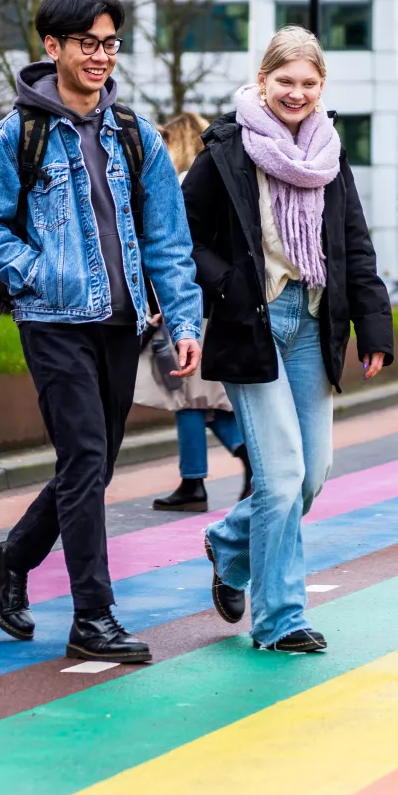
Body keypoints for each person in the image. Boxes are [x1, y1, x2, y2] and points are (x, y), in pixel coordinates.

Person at [0, 0, 203, 664]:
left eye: (109, 44)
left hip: (124, 324)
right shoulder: (19, 134)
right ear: (53, 48)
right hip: (54, 321)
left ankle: (10, 559)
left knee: (88, 466)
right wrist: (43, 272)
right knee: (87, 459)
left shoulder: (134, 133)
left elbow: (168, 238)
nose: (99, 55)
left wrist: (183, 319)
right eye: (86, 43)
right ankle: (92, 615)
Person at [183, 27, 393, 654]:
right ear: (263, 80)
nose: (296, 93)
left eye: (308, 83)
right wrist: (225, 285)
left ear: (321, 86)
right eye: (285, 82)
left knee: (309, 478)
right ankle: (279, 621)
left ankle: (228, 547)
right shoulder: (226, 146)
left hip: (315, 320)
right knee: (279, 479)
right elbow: (181, 233)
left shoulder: (330, 153)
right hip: (254, 321)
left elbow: (354, 243)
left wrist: (374, 325)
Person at [135, 112, 252, 513]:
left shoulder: (184, 187)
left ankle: (197, 481)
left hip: (189, 305)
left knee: (186, 397)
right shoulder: (220, 183)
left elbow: (175, 254)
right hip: (209, 302)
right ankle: (213, 471)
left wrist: (165, 307)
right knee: (196, 399)